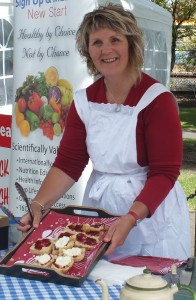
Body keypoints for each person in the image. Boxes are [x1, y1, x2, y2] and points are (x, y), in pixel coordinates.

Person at [18, 3, 191, 260]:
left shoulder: (157, 100)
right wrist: (39, 205)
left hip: (149, 212)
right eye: (96, 42)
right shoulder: (84, 101)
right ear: (88, 51)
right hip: (102, 208)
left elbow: (164, 173)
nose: (106, 49)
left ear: (131, 45)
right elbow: (69, 163)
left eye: (115, 39)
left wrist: (130, 218)